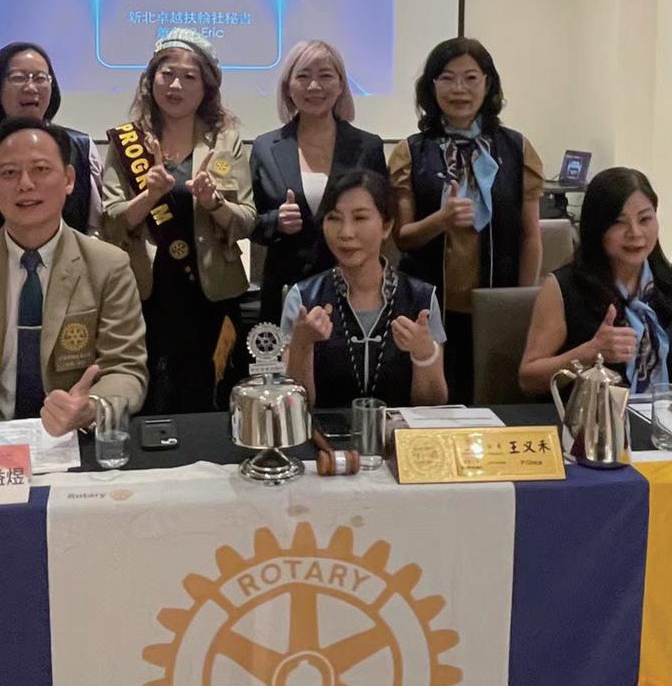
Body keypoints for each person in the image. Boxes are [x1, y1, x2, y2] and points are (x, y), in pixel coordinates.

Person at [0, 118, 147, 441]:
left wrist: (92, 407)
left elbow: (125, 368)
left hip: (73, 437)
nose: (25, 184)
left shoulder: (107, 265)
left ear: (69, 179)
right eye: (9, 173)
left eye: (41, 169)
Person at [101, 29, 256, 413]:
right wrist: (149, 196)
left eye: (189, 77)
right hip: (148, 294)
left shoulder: (225, 141)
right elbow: (110, 222)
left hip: (212, 294)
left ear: (207, 87)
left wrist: (213, 202)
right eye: (167, 74)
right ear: (150, 79)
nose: (176, 85)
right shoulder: (127, 141)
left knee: (211, 399)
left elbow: (246, 220)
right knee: (151, 398)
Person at [390, 37, 543, 405]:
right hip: (430, 305)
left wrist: (521, 303)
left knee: (497, 402)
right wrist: (441, 220)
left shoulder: (517, 148)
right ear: (431, 87)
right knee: (434, 404)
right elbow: (402, 238)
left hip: (497, 305)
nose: (459, 89)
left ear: (488, 84)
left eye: (471, 78)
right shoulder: (411, 151)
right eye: (447, 78)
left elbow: (530, 237)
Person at [518, 168, 672, 397]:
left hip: (661, 415)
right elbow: (528, 380)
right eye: (619, 222)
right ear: (596, 228)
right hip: (589, 416)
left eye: (645, 219)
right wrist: (589, 353)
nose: (635, 232)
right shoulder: (563, 287)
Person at [282, 170, 447, 408]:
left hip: (399, 430)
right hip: (326, 431)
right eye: (334, 218)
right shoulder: (303, 298)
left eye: (360, 218)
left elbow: (433, 405)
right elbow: (295, 407)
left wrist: (424, 355)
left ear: (387, 226)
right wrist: (301, 344)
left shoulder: (421, 298)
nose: (345, 233)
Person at [250, 40, 387, 322]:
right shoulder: (265, 147)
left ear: (341, 85)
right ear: (288, 87)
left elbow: (382, 217)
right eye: (303, 76)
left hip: (353, 287)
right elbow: (251, 221)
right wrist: (276, 221)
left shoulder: (368, 146)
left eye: (325, 75)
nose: (314, 86)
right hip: (286, 288)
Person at [0, 41, 102, 239]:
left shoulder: (81, 147)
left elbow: (96, 227)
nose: (31, 87)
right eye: (18, 78)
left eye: (40, 78)